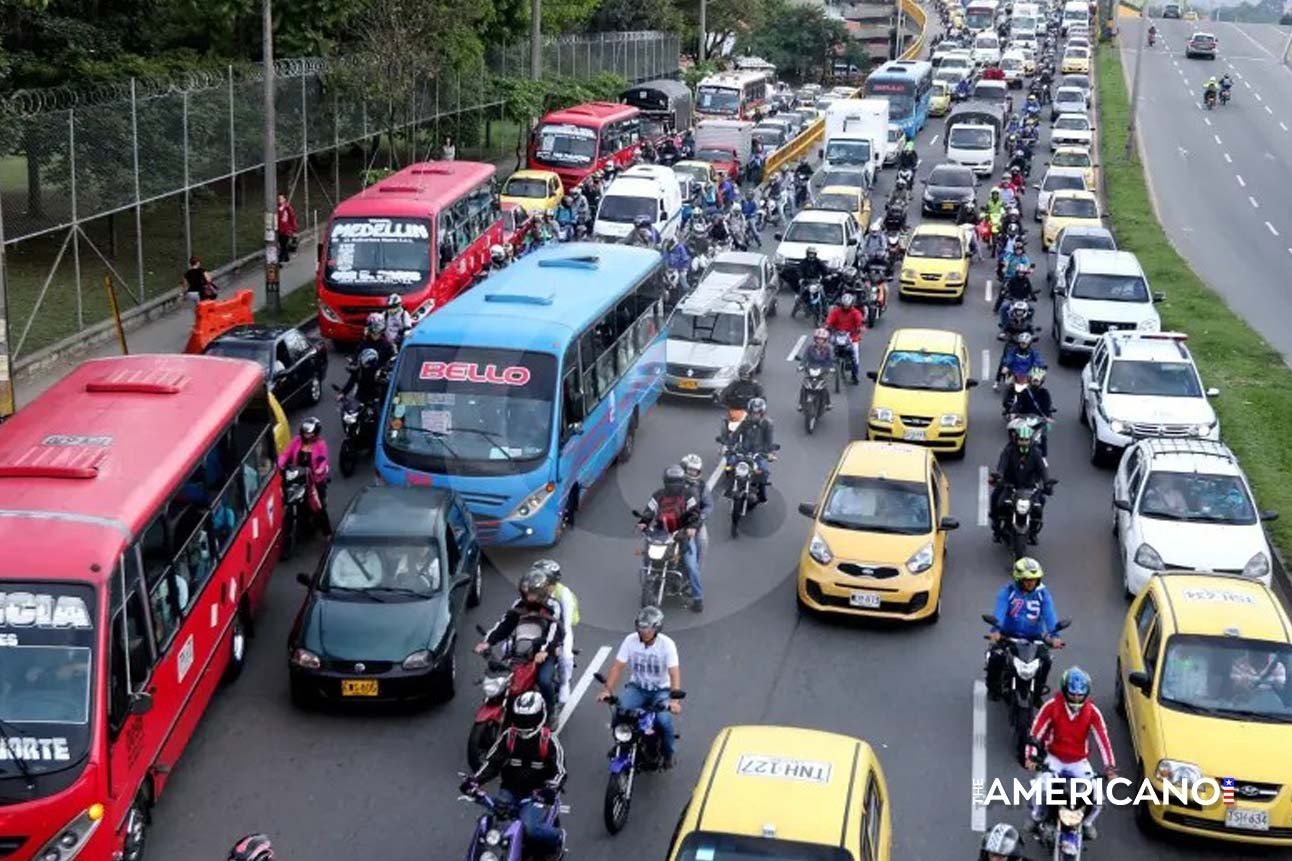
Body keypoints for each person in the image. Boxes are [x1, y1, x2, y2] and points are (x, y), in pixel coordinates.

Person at [462, 691, 567, 855]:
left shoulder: (549, 741)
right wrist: (475, 781)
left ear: (540, 716)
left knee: (530, 829)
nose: (524, 724)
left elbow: (560, 772)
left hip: (536, 795)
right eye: (520, 718)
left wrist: (550, 790)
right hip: (510, 791)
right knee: (487, 822)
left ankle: (557, 837)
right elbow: (492, 763)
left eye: (528, 719)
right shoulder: (508, 737)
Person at [1027, 667, 1117, 841]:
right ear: (1065, 691)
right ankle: (1036, 818)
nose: (1076, 698)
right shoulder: (1052, 706)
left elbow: (1103, 741)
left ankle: (1086, 824)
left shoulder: (1093, 712)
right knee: (1040, 789)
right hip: (1054, 758)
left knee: (1099, 798)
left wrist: (1110, 768)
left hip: (1079, 761)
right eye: (1073, 694)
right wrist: (1031, 756)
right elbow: (1035, 732)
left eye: (1080, 695)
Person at [596, 606, 683, 767]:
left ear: (656, 628)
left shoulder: (667, 645)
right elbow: (617, 666)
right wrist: (607, 690)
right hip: (637, 688)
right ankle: (622, 743)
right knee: (619, 712)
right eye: (641, 627)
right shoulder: (630, 641)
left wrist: (674, 701)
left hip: (661, 691)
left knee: (664, 721)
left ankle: (669, 752)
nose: (643, 632)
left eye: (647, 628)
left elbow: (674, 673)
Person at [475, 569, 564, 712]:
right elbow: (505, 624)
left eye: (533, 594)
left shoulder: (554, 606)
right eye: (527, 593)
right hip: (520, 650)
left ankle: (551, 711)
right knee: (503, 677)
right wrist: (488, 642)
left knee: (544, 680)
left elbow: (554, 630)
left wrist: (544, 651)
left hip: (545, 651)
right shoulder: (519, 604)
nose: (529, 597)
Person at [986, 558, 1064, 699]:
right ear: (1019, 579)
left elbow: (1050, 615)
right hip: (1008, 636)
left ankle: (1037, 694)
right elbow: (1000, 612)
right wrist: (995, 631)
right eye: (1027, 579)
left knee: (1046, 660)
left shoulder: (1043, 594)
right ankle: (993, 688)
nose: (1031, 583)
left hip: (1034, 638)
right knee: (996, 657)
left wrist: (1055, 636)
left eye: (1034, 579)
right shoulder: (1007, 592)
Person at [638, 466, 704, 611]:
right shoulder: (658, 495)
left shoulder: (689, 495)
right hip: (660, 533)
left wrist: (692, 528)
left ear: (682, 481)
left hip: (682, 534)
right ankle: (650, 578)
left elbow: (695, 514)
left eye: (676, 482)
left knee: (691, 565)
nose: (673, 485)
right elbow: (649, 511)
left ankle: (698, 599)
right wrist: (644, 522)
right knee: (647, 556)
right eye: (670, 482)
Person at [990, 424, 1050, 544]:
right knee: (995, 498)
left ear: (1030, 440)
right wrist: (999, 477)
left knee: (1041, 502)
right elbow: (1002, 466)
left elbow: (1043, 470)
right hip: (1010, 485)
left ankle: (1033, 532)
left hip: (1029, 487)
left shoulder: (1036, 453)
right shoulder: (1009, 451)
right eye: (1021, 440)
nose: (1023, 442)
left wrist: (1047, 483)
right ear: (1016, 439)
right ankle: (996, 528)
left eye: (1026, 440)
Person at [529, 560, 578, 705]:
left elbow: (566, 624)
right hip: (538, 626)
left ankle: (564, 683)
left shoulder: (563, 594)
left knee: (566, 656)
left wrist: (558, 644)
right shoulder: (532, 589)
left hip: (560, 628)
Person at [277, 417, 333, 536]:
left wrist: (319, 469)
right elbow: (286, 454)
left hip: (314, 481)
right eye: (305, 433)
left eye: (310, 433)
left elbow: (323, 460)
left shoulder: (320, 445)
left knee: (318, 507)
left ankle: (327, 533)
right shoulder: (297, 441)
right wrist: (279, 464)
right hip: (298, 478)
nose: (307, 435)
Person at [680, 453, 713, 604]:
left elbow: (708, 506)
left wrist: (700, 519)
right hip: (674, 523)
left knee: (702, 543)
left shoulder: (701, 486)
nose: (693, 473)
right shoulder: (674, 484)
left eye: (696, 471)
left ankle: (694, 587)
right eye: (690, 470)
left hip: (695, 524)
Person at [729, 397, 775, 504]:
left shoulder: (767, 424)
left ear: (762, 413)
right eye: (752, 413)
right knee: (731, 462)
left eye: (757, 413)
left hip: (759, 453)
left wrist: (770, 454)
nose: (754, 415)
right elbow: (735, 435)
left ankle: (762, 494)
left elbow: (769, 441)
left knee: (764, 470)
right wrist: (729, 443)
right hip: (744, 451)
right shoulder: (745, 422)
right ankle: (732, 483)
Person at [825, 292, 865, 384]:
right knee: (828, 350)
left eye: (848, 305)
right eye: (844, 305)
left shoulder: (856, 313)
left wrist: (860, 328)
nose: (846, 307)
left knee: (855, 355)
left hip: (852, 337)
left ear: (851, 304)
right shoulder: (836, 312)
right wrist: (827, 326)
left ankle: (854, 375)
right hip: (837, 335)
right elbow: (829, 320)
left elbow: (860, 322)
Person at [798, 327, 834, 411]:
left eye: (822, 339)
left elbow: (830, 360)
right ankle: (800, 403)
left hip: (823, 369)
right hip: (811, 368)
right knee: (804, 386)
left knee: (824, 387)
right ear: (815, 339)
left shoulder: (828, 349)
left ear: (825, 340)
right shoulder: (810, 348)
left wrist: (830, 368)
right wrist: (801, 366)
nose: (820, 341)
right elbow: (805, 358)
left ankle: (828, 403)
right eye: (818, 339)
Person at [275, 193, 298, 263]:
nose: (280, 200)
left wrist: (294, 228)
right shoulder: (277, 208)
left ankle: (279, 260)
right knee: (282, 244)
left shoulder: (287, 207)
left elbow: (292, 217)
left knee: (283, 245)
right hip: (280, 230)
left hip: (286, 230)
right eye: (279, 199)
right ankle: (286, 257)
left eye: (281, 199)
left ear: (284, 199)